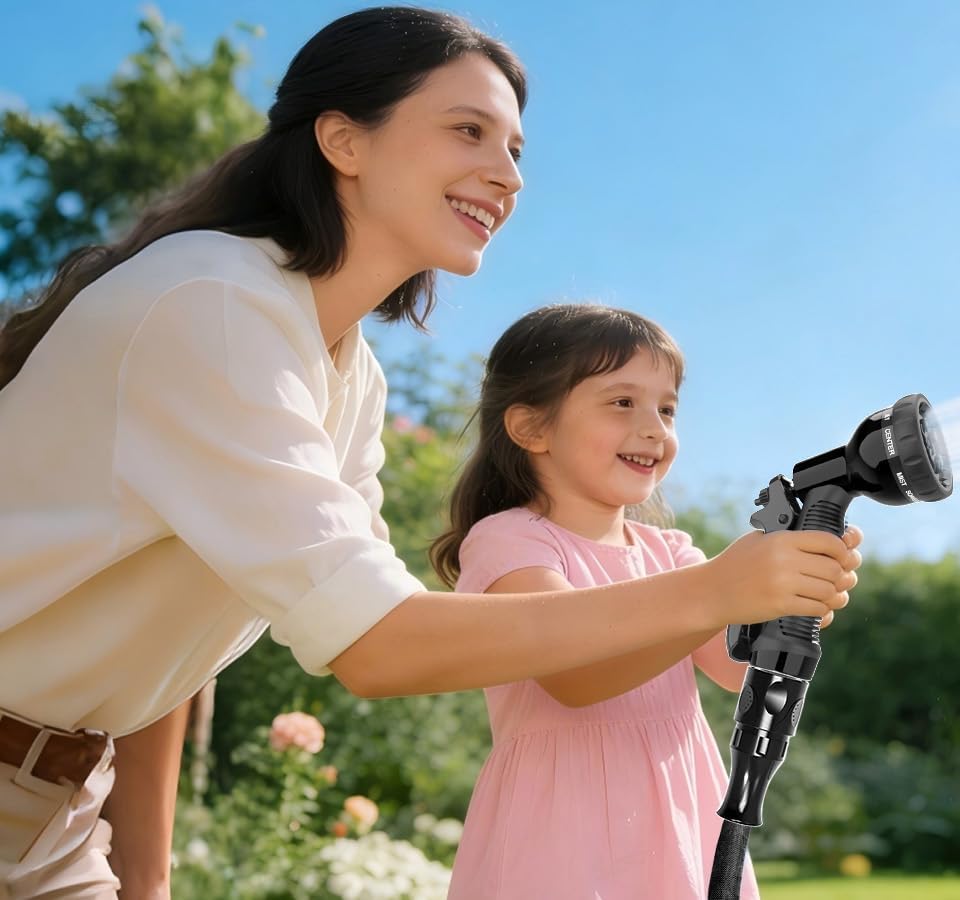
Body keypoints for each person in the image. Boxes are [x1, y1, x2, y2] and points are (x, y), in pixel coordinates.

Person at [0, 8, 860, 899]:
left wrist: (145, 881)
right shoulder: (210, 307)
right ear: (343, 139)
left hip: (57, 811)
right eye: (468, 131)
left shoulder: (346, 374)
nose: (508, 174)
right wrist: (719, 588)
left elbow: (167, 638)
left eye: (517, 148)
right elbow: (377, 645)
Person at [436, 304, 771, 899]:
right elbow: (577, 677)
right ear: (531, 428)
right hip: (563, 829)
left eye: (666, 408)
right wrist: (719, 592)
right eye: (623, 402)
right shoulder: (510, 541)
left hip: (675, 812)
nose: (655, 428)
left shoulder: (670, 552)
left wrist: (790, 599)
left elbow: (737, 667)